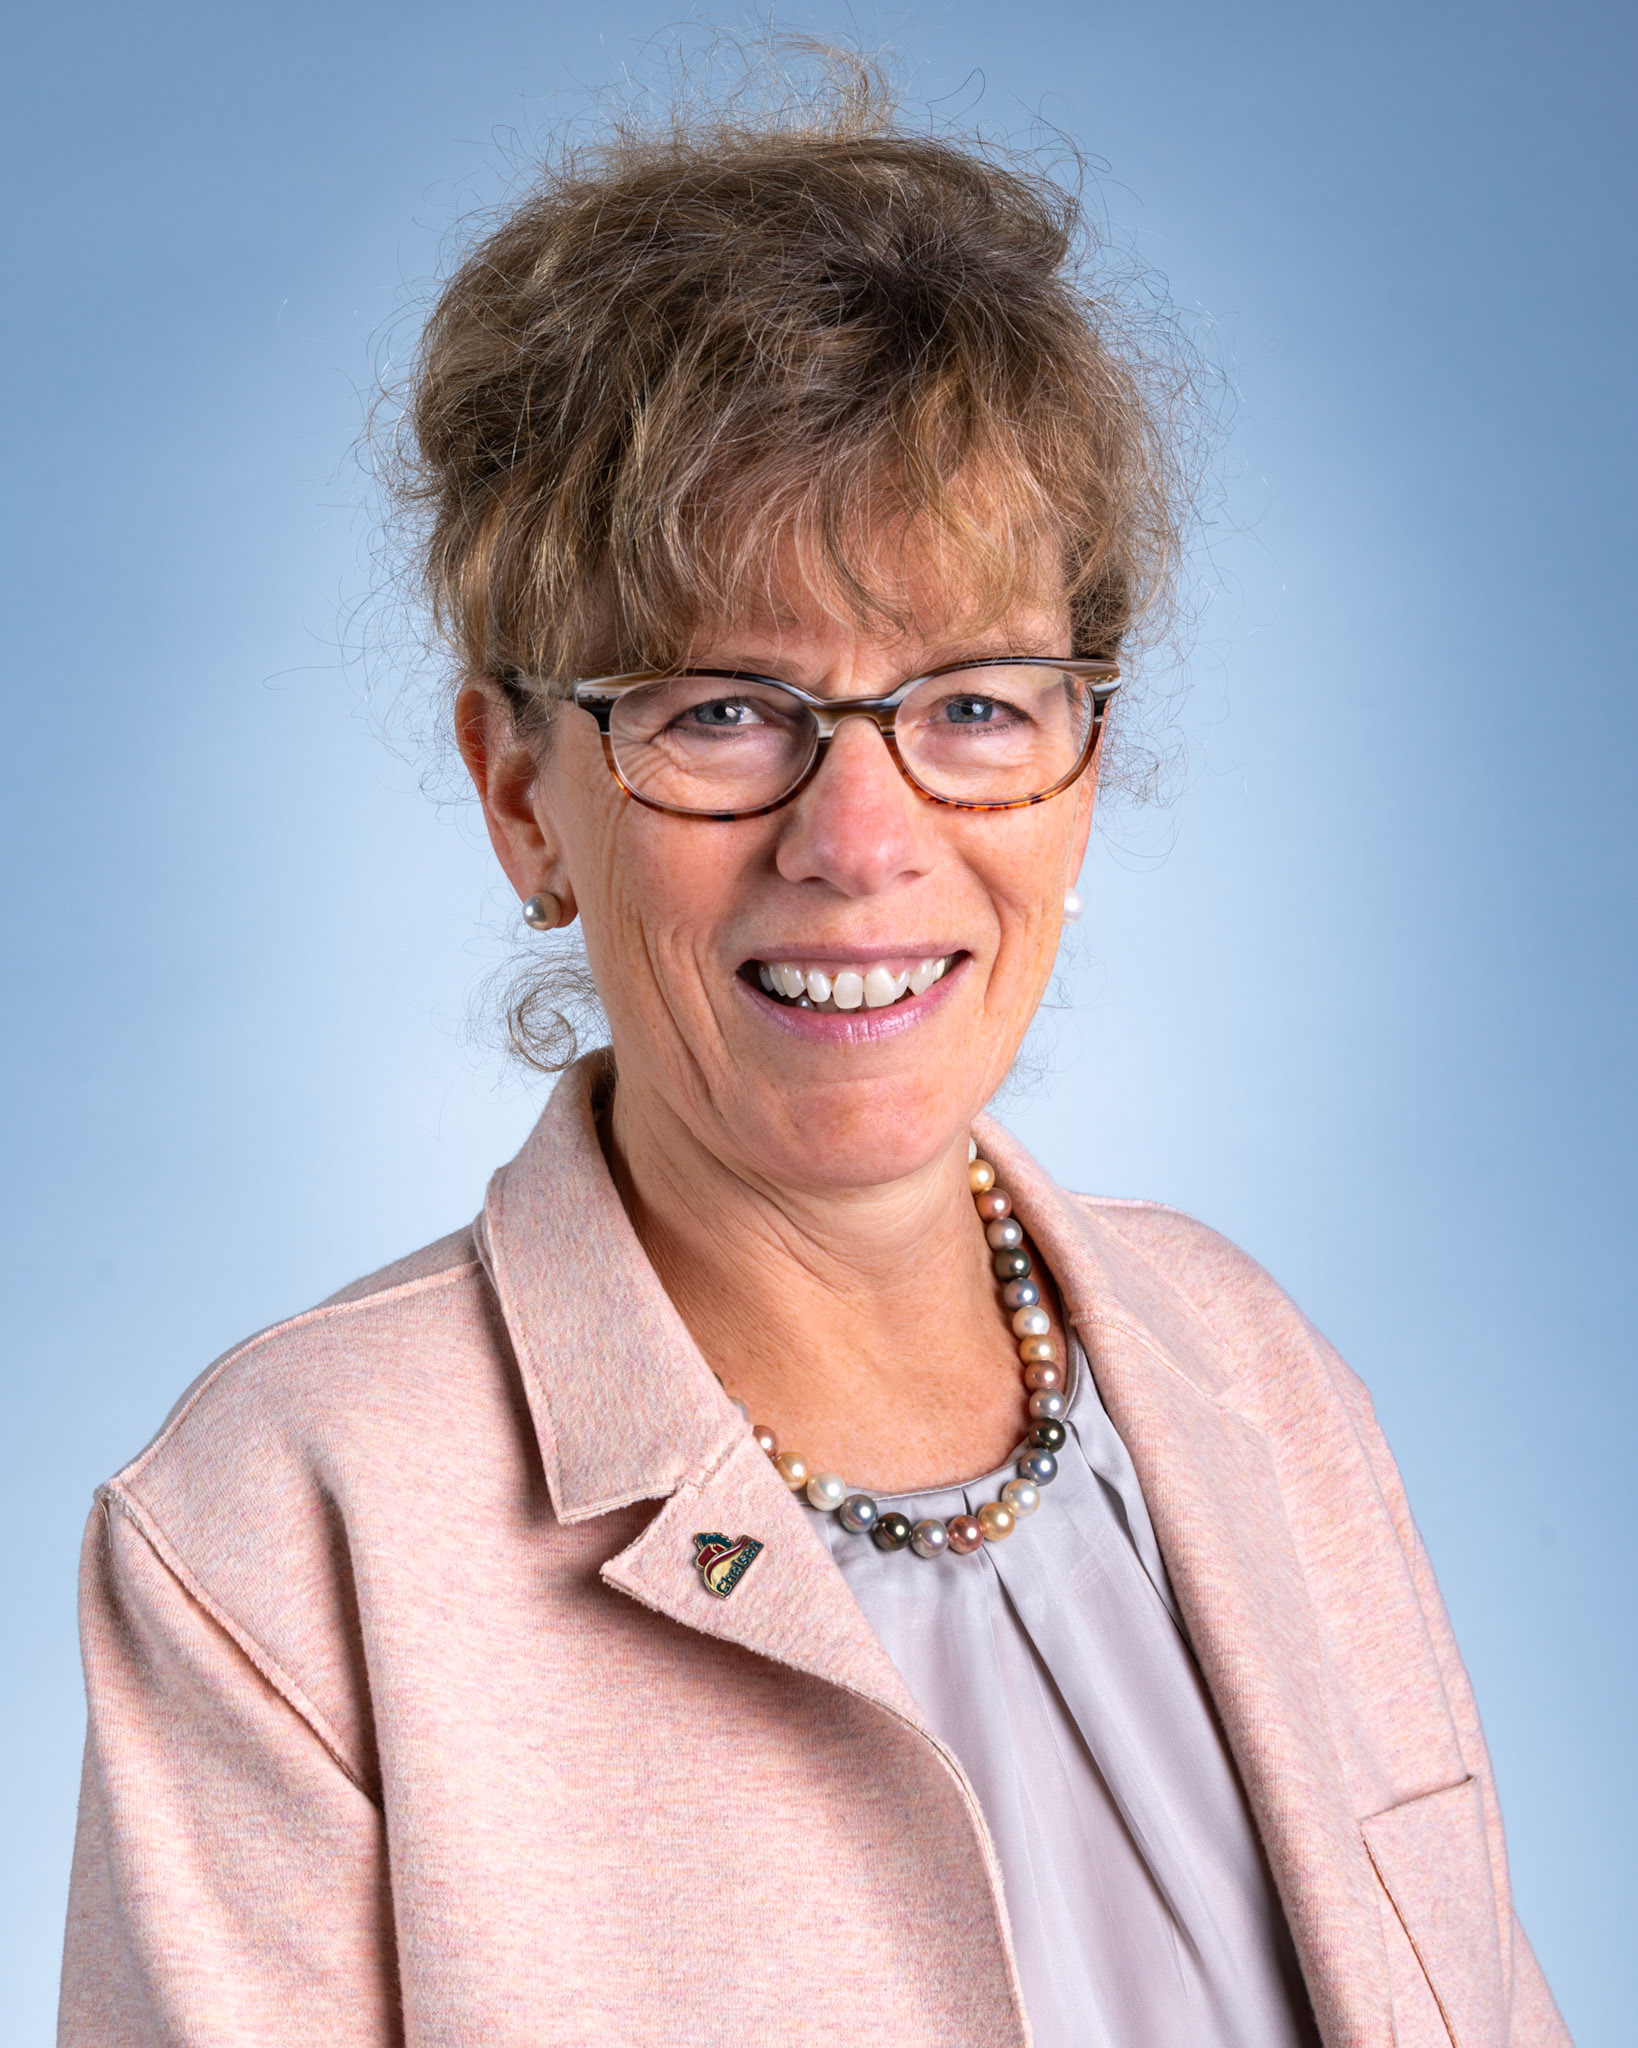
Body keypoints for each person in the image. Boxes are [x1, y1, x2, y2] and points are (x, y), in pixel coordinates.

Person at [59, 64, 1569, 2048]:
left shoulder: (1255, 1376)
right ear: (520, 793)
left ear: (1083, 770)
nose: (860, 842)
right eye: (722, 709)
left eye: (973, 703)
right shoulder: (286, 1527)